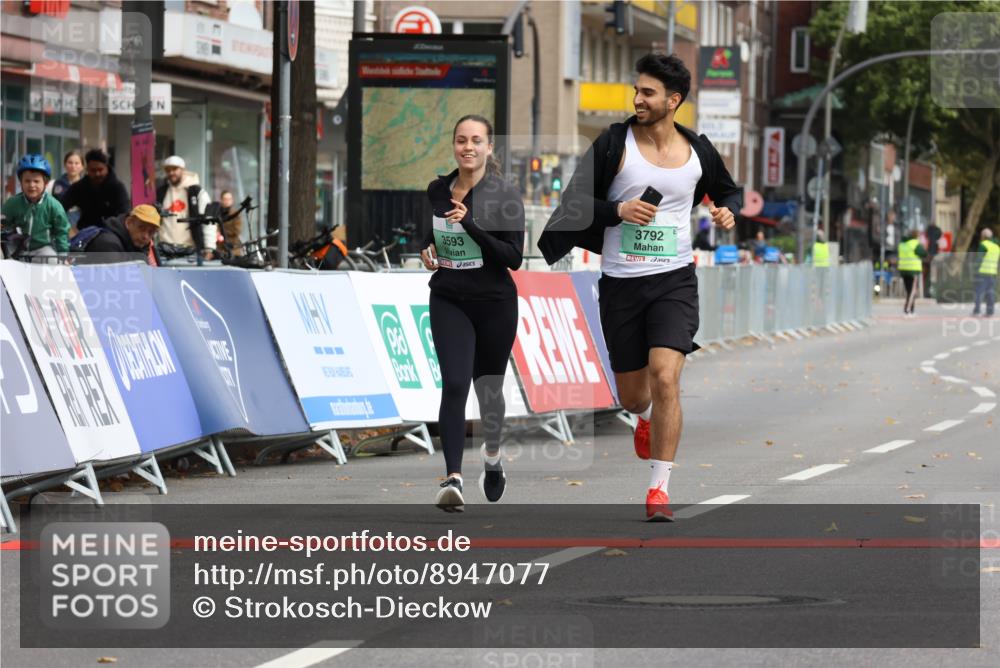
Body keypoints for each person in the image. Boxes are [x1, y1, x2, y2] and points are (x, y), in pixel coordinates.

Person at [538, 53, 741, 521]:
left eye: (648, 92)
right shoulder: (614, 144)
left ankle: (659, 489)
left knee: (666, 376)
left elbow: (727, 189)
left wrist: (728, 209)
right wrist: (617, 211)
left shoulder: (697, 152)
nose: (638, 99)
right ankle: (644, 419)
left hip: (674, 280)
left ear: (674, 100)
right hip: (621, 283)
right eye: (637, 90)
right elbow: (573, 204)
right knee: (634, 396)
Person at [419, 115, 525, 512]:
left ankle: (493, 459)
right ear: (454, 145)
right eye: (461, 140)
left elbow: (512, 257)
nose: (468, 147)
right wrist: (425, 249)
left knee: (488, 390)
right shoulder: (437, 190)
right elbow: (432, 234)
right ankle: (453, 478)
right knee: (455, 383)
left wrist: (474, 226)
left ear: (489, 148)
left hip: (495, 303)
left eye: (476, 140)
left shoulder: (505, 195)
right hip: (449, 298)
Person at [1, 154, 70, 259]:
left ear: (45, 183)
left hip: (42, 249)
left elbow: (61, 232)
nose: (32, 185)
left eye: (36, 181)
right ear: (21, 182)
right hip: (14, 248)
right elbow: (2, 225)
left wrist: (63, 255)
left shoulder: (54, 206)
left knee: (51, 260)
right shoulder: (12, 204)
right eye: (27, 181)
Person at [157, 155, 215, 259]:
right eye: (168, 170)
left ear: (183, 169)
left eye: (174, 169)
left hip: (190, 251)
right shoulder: (161, 192)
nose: (171, 173)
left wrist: (209, 248)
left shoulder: (197, 192)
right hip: (165, 250)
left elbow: (209, 220)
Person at [58, 149, 131, 230]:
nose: (97, 174)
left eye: (100, 170)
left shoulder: (118, 187)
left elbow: (125, 214)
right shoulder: (79, 187)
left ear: (106, 168)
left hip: (112, 233)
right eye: (93, 170)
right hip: (86, 233)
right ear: (87, 170)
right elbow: (60, 208)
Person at [72, 204, 161, 266]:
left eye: (151, 232)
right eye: (141, 228)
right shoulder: (107, 244)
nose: (145, 236)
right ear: (129, 222)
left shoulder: (137, 245)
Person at [47, 150, 84, 229]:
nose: (73, 166)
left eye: (77, 163)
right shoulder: (54, 184)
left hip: (81, 228)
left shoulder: (88, 187)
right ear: (65, 164)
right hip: (59, 227)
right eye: (70, 163)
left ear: (82, 166)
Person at [897, 228, 926, 316]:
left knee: (909, 290)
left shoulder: (902, 244)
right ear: (916, 236)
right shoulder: (915, 244)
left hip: (903, 269)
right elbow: (923, 253)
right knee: (912, 291)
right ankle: (908, 309)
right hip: (913, 270)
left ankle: (911, 310)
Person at [973, 228, 998, 317]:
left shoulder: (983, 245)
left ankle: (977, 311)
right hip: (993, 272)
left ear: (983, 236)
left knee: (979, 292)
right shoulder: (996, 246)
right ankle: (990, 312)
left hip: (982, 272)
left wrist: (974, 270)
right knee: (990, 292)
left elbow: (979, 259)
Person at [216, 190, 244, 256]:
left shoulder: (235, 214)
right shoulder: (217, 213)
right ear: (221, 200)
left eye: (229, 199)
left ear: (232, 200)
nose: (227, 201)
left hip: (233, 248)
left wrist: (221, 233)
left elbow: (237, 231)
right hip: (219, 248)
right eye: (225, 199)